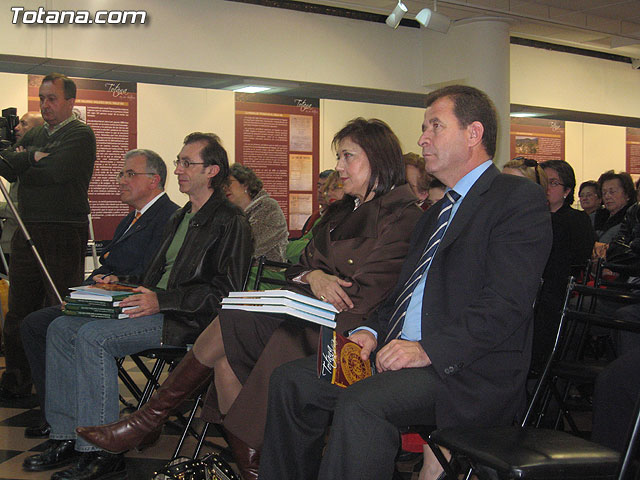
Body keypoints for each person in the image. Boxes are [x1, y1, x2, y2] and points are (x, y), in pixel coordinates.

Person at [75, 118, 424, 480]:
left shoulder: (401, 216)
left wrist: (313, 281)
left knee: (231, 323)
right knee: (226, 354)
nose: (338, 167)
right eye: (339, 156)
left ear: (378, 158)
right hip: (305, 317)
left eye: (347, 156)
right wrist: (316, 276)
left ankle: (148, 419)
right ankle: (250, 467)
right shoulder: (340, 212)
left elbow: (364, 296)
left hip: (346, 335)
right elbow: (295, 267)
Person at [257, 85, 552, 480]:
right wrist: (369, 331)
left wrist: (426, 349)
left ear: (473, 134)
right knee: (291, 381)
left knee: (363, 403)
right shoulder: (434, 215)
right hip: (402, 358)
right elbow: (403, 294)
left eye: (435, 126)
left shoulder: (515, 200)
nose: (421, 139)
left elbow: (505, 305)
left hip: (462, 372)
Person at [21, 133, 253, 480]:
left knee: (93, 337)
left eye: (187, 163)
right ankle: (67, 434)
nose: (178, 170)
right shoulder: (181, 217)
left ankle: (102, 450)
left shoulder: (230, 220)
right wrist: (120, 281)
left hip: (186, 320)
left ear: (212, 171)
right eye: (178, 161)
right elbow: (154, 273)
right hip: (152, 305)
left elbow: (226, 291)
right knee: (60, 327)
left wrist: (163, 300)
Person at [20, 148, 180, 438]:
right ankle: (58, 416)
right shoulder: (130, 219)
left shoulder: (169, 218)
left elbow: (154, 273)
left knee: (54, 327)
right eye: (121, 173)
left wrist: (116, 280)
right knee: (36, 324)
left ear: (154, 180)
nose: (120, 180)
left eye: (130, 173)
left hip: (132, 304)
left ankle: (72, 421)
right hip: (107, 298)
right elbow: (108, 263)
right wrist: (94, 282)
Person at [0, 73, 96, 399]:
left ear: (70, 101)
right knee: (18, 310)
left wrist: (26, 161)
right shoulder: (38, 132)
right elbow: (8, 165)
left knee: (58, 308)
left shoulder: (80, 135)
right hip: (27, 228)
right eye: (41, 98)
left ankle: (56, 384)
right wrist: (31, 158)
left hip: (63, 230)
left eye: (51, 98)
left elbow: (54, 173)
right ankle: (16, 381)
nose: (45, 105)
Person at [533, 160, 595, 370]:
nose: (547, 188)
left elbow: (576, 260)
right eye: (543, 182)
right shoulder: (532, 216)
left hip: (558, 289)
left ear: (567, 190)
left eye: (553, 183)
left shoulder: (576, 219)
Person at [0, 112, 44, 270]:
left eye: (24, 124)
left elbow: (29, 207)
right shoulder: (18, 155)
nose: (17, 128)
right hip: (11, 242)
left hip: (26, 243)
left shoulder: (39, 162)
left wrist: (1, 208)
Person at [224, 163, 288, 262]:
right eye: (222, 185)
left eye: (228, 183)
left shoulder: (267, 207)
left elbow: (252, 246)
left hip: (265, 271)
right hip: (239, 270)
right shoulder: (230, 213)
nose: (225, 188)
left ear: (245, 184)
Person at [593, 170, 635, 254]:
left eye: (612, 192)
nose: (607, 196)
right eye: (604, 193)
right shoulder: (597, 217)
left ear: (627, 194)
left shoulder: (633, 219)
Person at [300, 169, 333, 235]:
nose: (320, 190)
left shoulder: (338, 218)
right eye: (318, 186)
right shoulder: (315, 216)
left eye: (326, 187)